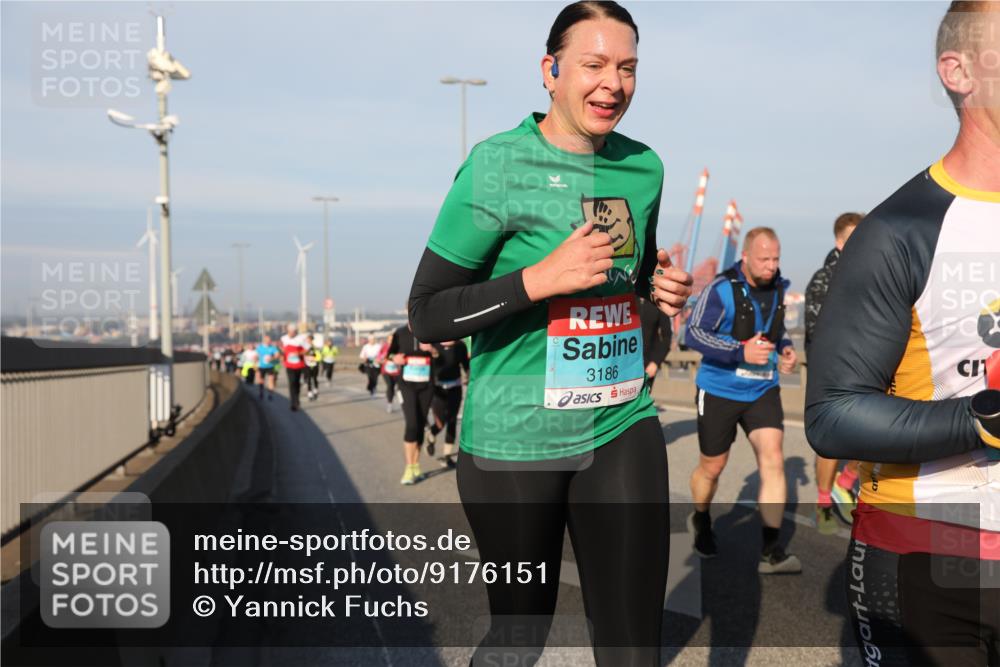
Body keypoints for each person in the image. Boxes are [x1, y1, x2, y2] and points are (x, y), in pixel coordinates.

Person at [407, 3, 692, 663]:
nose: (612, 84)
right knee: (519, 636)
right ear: (551, 71)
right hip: (513, 440)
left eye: (627, 68)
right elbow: (426, 310)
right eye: (593, 65)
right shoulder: (496, 166)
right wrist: (535, 280)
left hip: (620, 422)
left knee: (632, 646)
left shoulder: (643, 167)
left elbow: (636, 276)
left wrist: (659, 293)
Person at [806, 3, 1000, 664]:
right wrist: (981, 419)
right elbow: (833, 416)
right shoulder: (900, 230)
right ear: (959, 71)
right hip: (929, 552)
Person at [684, 227, 801, 573]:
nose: (771, 265)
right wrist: (739, 350)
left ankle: (771, 551)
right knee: (713, 467)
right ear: (746, 257)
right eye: (764, 259)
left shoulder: (780, 287)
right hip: (719, 388)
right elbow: (692, 332)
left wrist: (786, 349)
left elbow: (774, 331)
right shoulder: (721, 289)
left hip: (763, 387)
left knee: (773, 460)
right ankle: (701, 518)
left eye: (776, 258)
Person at [804, 212, 862, 534]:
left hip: (867, 372)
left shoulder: (872, 273)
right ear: (840, 242)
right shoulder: (823, 280)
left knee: (871, 439)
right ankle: (824, 501)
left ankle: (847, 481)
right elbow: (816, 332)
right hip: (833, 373)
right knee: (831, 443)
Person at [387, 322, 436, 485]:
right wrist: (395, 358)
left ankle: (416, 465)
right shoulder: (399, 333)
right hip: (406, 386)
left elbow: (441, 356)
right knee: (412, 424)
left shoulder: (432, 331)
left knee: (421, 424)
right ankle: (408, 468)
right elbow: (388, 355)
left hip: (426, 386)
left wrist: (432, 350)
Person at [427, 339, 470, 467]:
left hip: (455, 388)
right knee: (440, 423)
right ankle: (431, 434)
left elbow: (466, 365)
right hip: (438, 389)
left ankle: (447, 456)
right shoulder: (433, 343)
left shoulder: (460, 345)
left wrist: (468, 377)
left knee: (452, 421)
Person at [639, 294, 672, 391]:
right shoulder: (626, 298)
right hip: (626, 363)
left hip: (648, 365)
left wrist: (655, 362)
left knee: (643, 402)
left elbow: (667, 337)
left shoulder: (658, 302)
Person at [280, 323, 308, 411]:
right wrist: (282, 355)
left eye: (293, 332)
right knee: (291, 383)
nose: (292, 333)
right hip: (289, 365)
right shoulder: (283, 339)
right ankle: (293, 403)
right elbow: (281, 349)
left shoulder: (301, 339)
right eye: (290, 332)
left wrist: (298, 353)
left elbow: (307, 349)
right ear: (287, 331)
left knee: (297, 383)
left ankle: (297, 399)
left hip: (299, 364)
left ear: (296, 331)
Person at [378, 333, 401, 413]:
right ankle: (390, 404)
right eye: (390, 339)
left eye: (393, 339)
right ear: (387, 340)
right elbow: (378, 359)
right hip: (386, 371)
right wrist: (383, 360)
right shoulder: (384, 347)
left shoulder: (398, 347)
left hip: (397, 371)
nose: (391, 341)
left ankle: (403, 403)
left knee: (401, 388)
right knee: (390, 385)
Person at [255, 335, 280, 401]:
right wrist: (255, 363)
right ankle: (261, 392)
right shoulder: (259, 348)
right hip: (261, 366)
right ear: (264, 341)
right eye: (267, 340)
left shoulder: (273, 348)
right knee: (261, 380)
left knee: (271, 380)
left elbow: (277, 355)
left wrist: (272, 358)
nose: (269, 341)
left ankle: (270, 394)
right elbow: (256, 356)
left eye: (269, 340)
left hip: (270, 366)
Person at [303, 333, 322, 401]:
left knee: (314, 378)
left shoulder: (315, 348)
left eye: (309, 339)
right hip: (307, 365)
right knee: (308, 379)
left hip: (314, 365)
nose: (308, 341)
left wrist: (313, 359)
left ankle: (316, 390)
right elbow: (302, 355)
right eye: (307, 339)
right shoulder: (304, 348)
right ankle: (309, 393)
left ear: (312, 340)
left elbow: (319, 357)